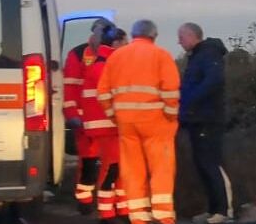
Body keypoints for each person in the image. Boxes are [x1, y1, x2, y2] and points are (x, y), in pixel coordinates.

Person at [98, 19, 181, 224]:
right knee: (161, 168)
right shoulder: (161, 55)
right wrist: (170, 116)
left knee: (132, 169)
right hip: (156, 122)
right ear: (154, 35)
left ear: (134, 35)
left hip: (126, 123)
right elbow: (171, 90)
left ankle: (138, 216)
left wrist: (114, 116)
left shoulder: (116, 56)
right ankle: (163, 216)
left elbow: (102, 92)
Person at [63, 18, 129, 224]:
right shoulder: (78, 53)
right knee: (90, 162)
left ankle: (117, 204)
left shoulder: (112, 55)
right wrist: (72, 113)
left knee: (114, 164)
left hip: (109, 119)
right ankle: (85, 199)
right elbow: (70, 86)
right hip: (86, 118)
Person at [177, 23, 234, 224]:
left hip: (208, 119)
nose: (179, 42)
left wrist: (190, 100)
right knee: (202, 164)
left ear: (192, 36)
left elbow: (213, 81)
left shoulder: (209, 54)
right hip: (196, 120)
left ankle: (224, 211)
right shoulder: (196, 57)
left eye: (181, 37)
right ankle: (213, 209)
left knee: (211, 164)